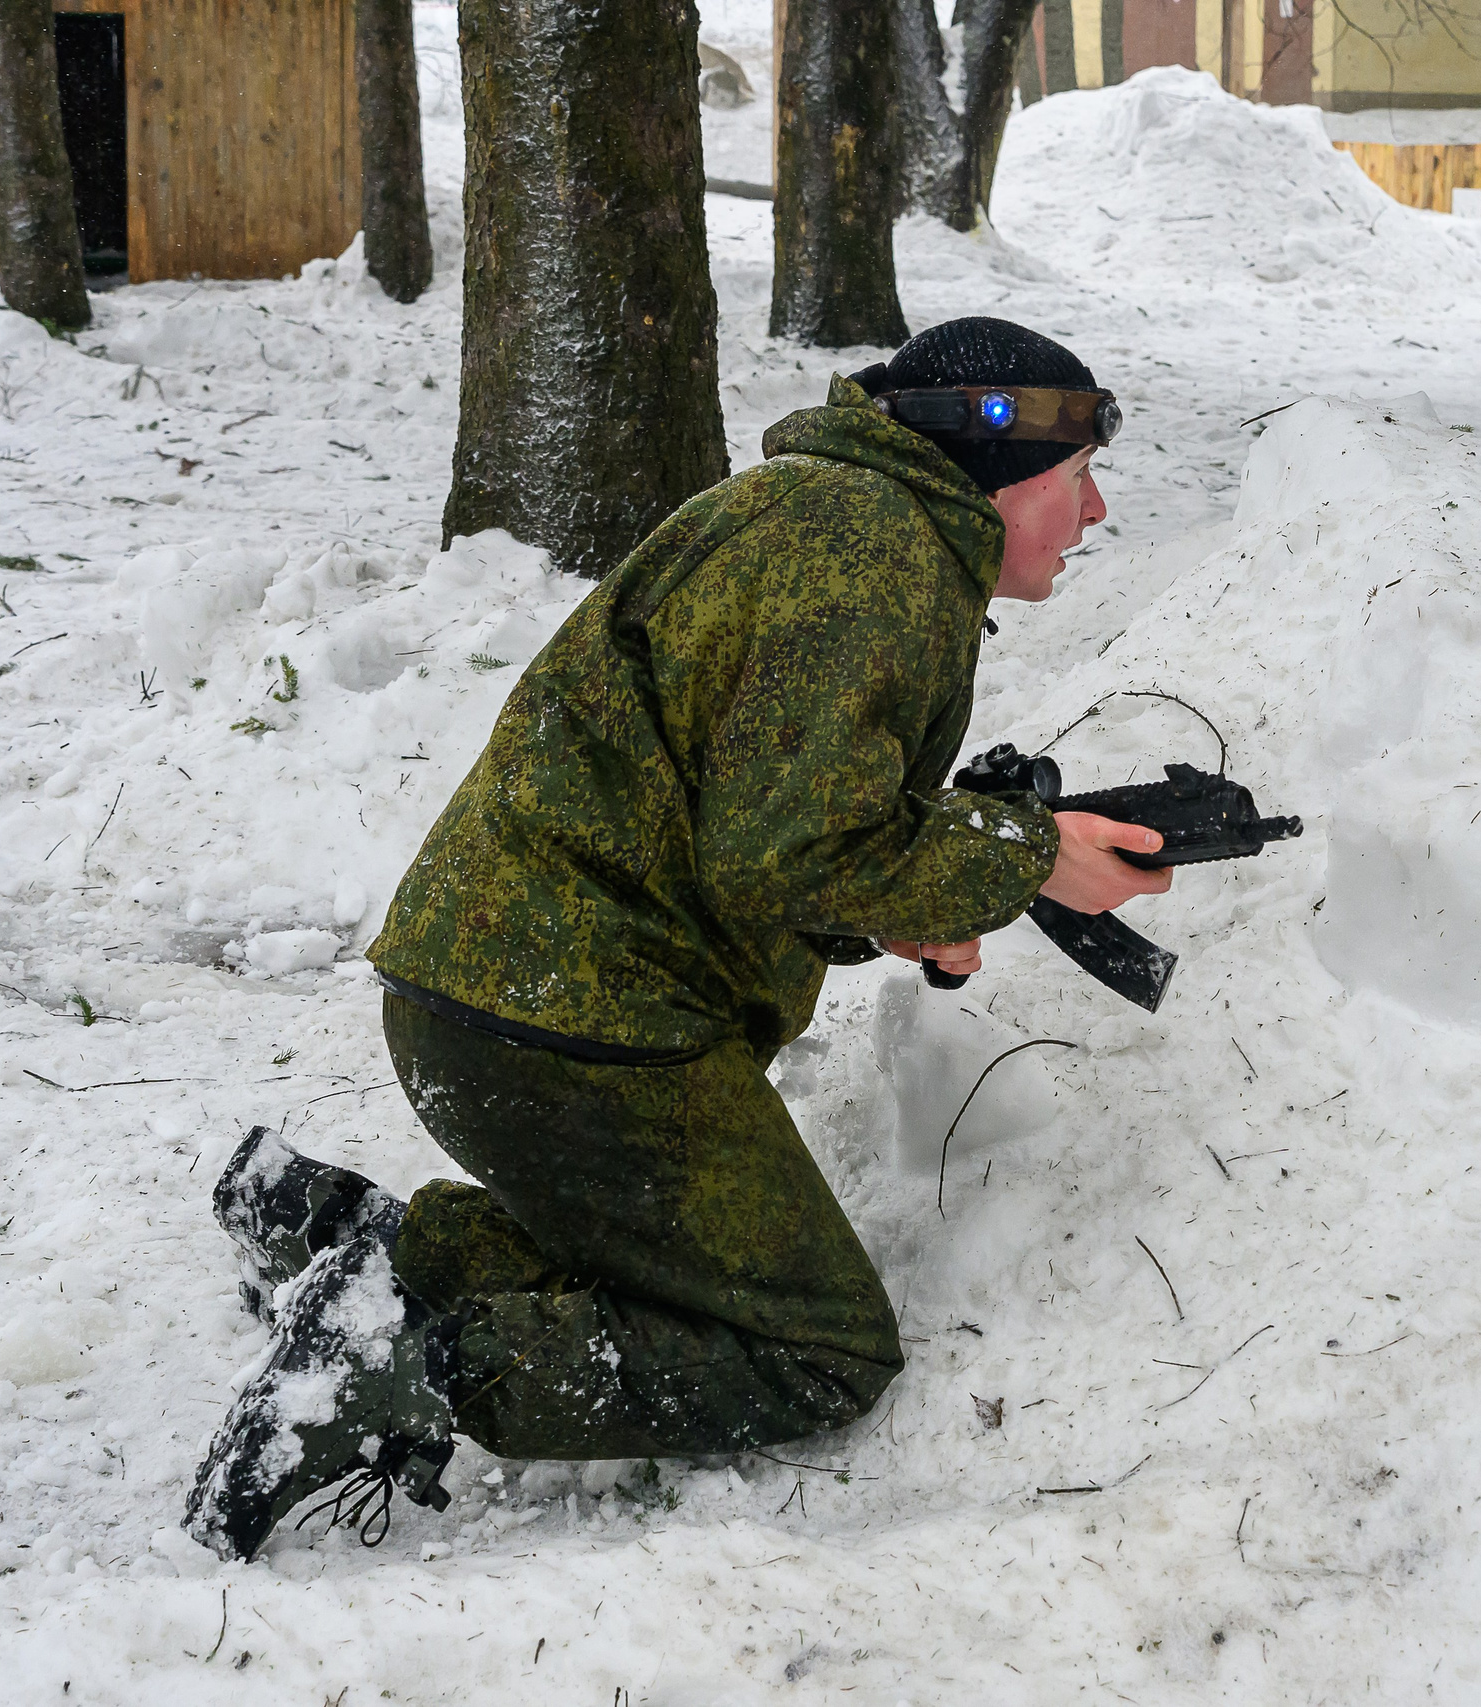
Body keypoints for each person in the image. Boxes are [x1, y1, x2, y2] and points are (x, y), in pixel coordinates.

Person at [182, 318, 1172, 1560]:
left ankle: (361, 1242)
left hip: (490, 997)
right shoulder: (877, 555)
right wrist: (1031, 858)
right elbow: (785, 850)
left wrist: (935, 892)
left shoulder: (830, 517)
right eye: (1077, 479)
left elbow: (756, 813)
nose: (1093, 515)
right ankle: (407, 1360)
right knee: (815, 1348)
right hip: (583, 1036)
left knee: (678, 1270)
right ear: (991, 464)